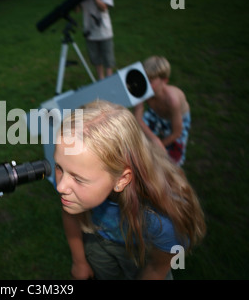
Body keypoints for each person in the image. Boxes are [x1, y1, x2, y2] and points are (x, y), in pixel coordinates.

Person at [55, 100, 206, 279]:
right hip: (98, 242)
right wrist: (79, 261)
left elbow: (157, 269)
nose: (61, 186)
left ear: (122, 179)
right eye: (59, 167)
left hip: (142, 254)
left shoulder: (165, 220)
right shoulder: (78, 187)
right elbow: (71, 213)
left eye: (78, 178)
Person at [134, 56, 191, 166]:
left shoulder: (172, 100)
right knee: (135, 133)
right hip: (156, 114)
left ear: (164, 80)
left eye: (150, 81)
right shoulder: (143, 90)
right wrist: (154, 139)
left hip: (177, 119)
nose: (144, 84)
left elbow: (176, 132)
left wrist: (158, 145)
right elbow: (137, 118)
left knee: (174, 159)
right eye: (143, 78)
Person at [78, 0, 115, 80]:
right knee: (95, 59)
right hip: (89, 30)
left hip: (104, 30)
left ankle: (109, 79)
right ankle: (100, 79)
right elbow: (77, 10)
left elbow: (104, 7)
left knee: (108, 59)